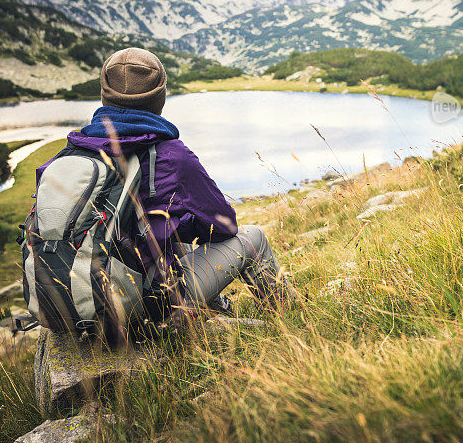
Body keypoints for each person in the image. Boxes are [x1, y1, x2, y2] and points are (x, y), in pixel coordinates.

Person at [61, 47, 297, 324]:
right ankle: (290, 318)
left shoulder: (73, 152)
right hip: (143, 307)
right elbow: (225, 226)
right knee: (252, 238)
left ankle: (215, 310)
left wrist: (172, 226)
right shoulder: (172, 155)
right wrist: (183, 223)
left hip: (66, 302)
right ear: (158, 98)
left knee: (172, 240)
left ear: (104, 95)